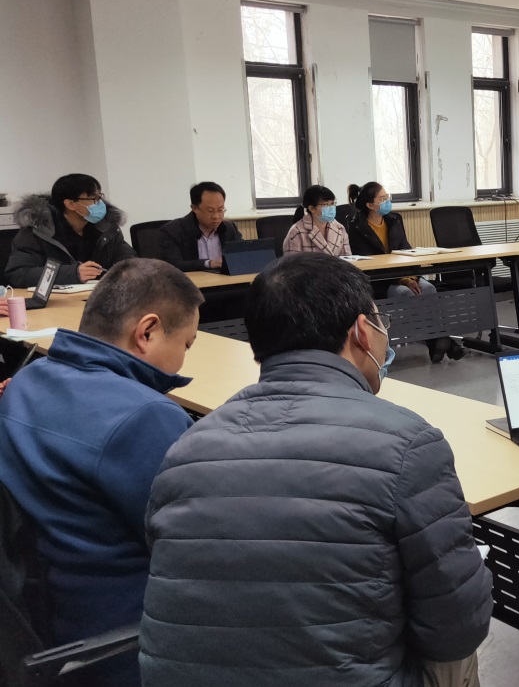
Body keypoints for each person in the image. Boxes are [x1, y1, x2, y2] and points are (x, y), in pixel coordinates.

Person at [141, 252, 491, 687]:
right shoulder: (408, 443)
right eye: (380, 322)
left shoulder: (186, 446)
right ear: (362, 331)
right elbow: (457, 626)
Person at [0, 259, 202, 687]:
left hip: (46, 620)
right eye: (187, 344)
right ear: (147, 332)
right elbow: (201, 547)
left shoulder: (27, 381)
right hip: (123, 644)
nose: (184, 359)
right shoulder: (145, 417)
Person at [345, 181, 464, 363]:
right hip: (379, 281)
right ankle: (440, 341)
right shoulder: (356, 226)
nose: (387, 201)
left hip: (404, 275)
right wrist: (402, 280)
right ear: (370, 205)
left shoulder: (394, 220)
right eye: (382, 199)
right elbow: (370, 262)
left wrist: (410, 277)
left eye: (387, 197)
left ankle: (438, 340)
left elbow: (406, 251)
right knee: (406, 293)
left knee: (429, 288)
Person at [5, 173, 136, 286]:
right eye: (93, 199)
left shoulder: (106, 226)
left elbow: (129, 259)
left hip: (100, 296)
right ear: (70, 204)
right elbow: (19, 273)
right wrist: (73, 274)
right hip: (58, 301)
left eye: (100, 197)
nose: (100, 204)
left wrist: (126, 272)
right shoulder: (39, 230)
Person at [158, 181, 243, 272]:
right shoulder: (172, 231)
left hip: (226, 280)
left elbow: (243, 255)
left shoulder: (229, 228)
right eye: (210, 211)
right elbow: (173, 265)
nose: (216, 216)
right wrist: (209, 263)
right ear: (194, 208)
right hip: (192, 281)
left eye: (220, 210)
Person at [283, 184, 350, 256]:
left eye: (332, 203)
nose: (331, 208)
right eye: (325, 204)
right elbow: (291, 261)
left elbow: (348, 258)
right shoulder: (296, 231)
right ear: (312, 208)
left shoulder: (340, 228)